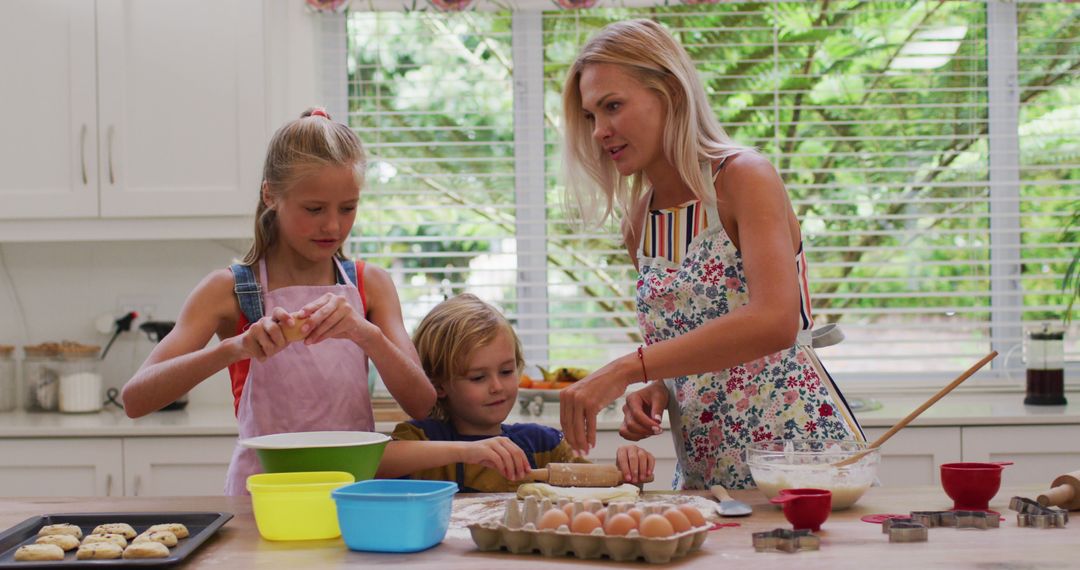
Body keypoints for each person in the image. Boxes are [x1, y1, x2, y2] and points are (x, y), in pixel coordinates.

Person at [557, 19, 865, 490]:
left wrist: (628, 368)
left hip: (800, 462)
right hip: (706, 478)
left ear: (671, 94)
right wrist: (657, 388)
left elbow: (775, 320)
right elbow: (695, 349)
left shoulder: (744, 178)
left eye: (612, 106)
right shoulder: (640, 222)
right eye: (590, 116)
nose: (600, 131)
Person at [120, 108, 436, 495]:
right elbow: (135, 399)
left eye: (348, 208)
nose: (334, 226)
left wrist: (365, 334)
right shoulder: (229, 290)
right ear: (271, 194)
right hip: (262, 502)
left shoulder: (371, 285)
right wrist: (237, 348)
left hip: (352, 496)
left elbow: (422, 403)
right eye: (314, 209)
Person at [376, 294, 654, 492]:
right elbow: (376, 462)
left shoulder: (544, 445)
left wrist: (628, 472)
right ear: (438, 385)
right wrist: (467, 451)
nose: (497, 386)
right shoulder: (423, 440)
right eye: (478, 377)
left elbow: (598, 489)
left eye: (507, 371)